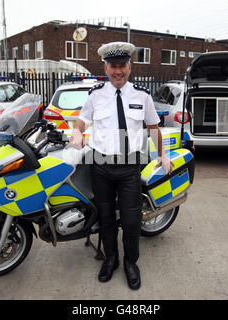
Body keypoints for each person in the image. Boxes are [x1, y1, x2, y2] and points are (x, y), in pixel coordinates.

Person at [69, 42, 173, 290]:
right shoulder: (95, 95)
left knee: (131, 220)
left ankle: (131, 263)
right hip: (101, 165)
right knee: (105, 218)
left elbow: (153, 128)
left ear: (130, 67)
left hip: (129, 167)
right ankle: (111, 259)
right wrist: (76, 132)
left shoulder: (142, 95)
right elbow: (82, 120)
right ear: (105, 68)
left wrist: (164, 155)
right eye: (113, 66)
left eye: (122, 66)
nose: (118, 71)